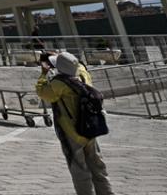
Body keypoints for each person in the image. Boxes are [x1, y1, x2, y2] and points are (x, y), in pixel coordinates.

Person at [36, 50, 113, 195]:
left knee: (79, 169)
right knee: (98, 165)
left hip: (71, 131)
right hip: (90, 128)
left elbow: (43, 92)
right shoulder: (83, 74)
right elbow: (76, 65)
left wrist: (43, 74)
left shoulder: (60, 83)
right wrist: (63, 57)